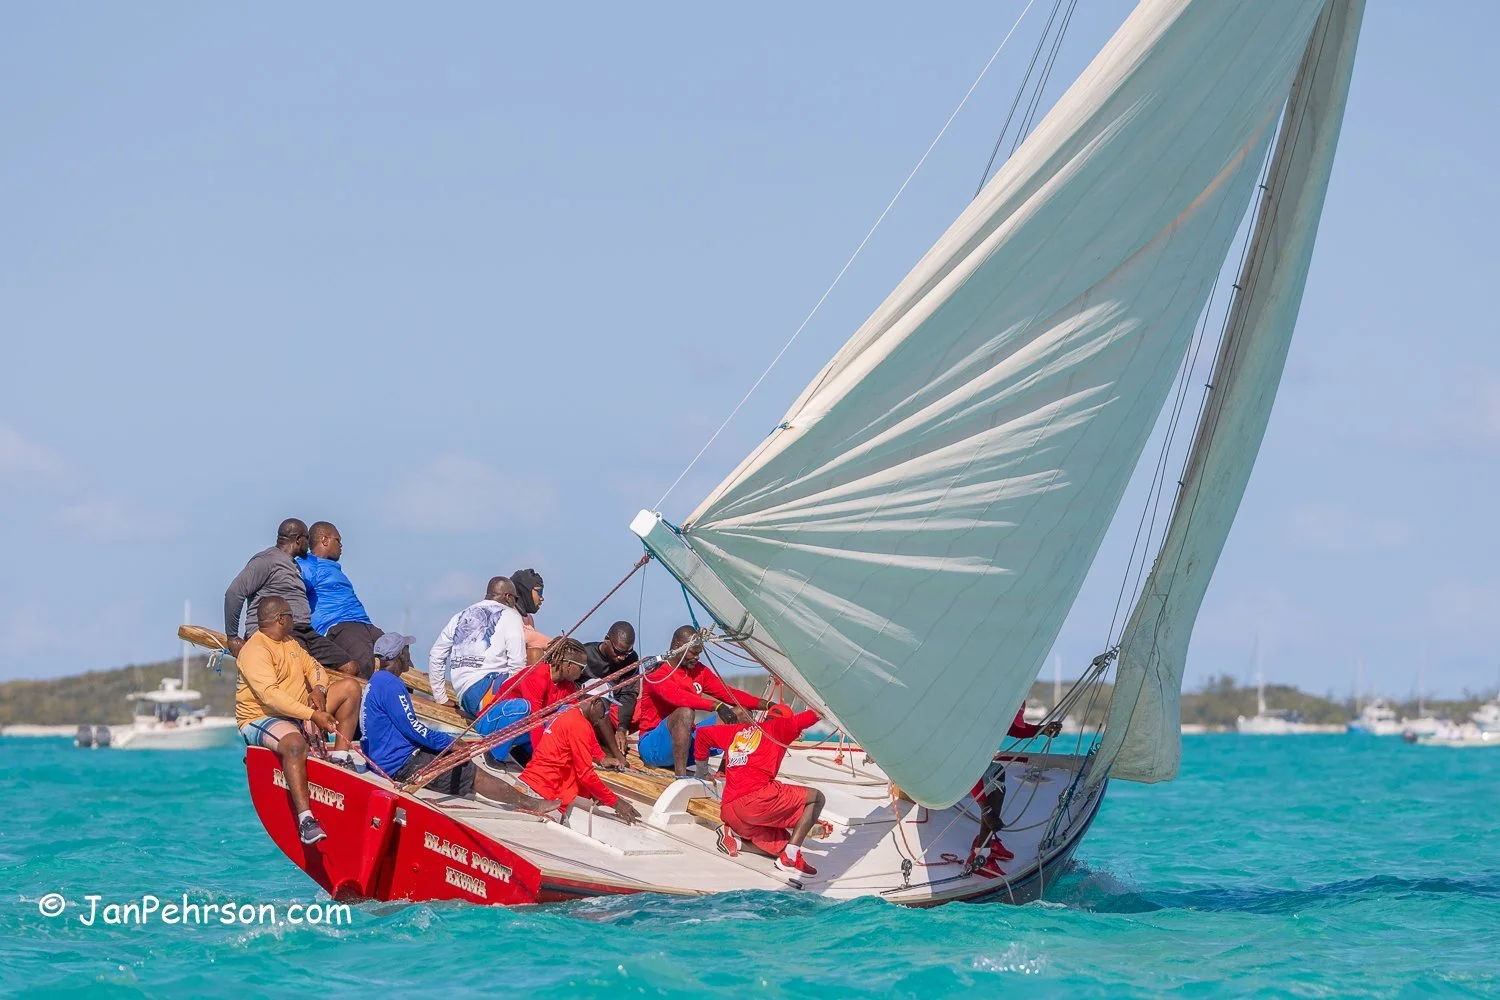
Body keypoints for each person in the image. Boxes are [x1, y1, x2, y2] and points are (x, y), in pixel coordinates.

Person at [360, 632, 557, 810]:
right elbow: (413, 728)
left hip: (388, 760)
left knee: (454, 755)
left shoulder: (376, 681)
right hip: (402, 764)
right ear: (400, 656)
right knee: (473, 773)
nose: (410, 656)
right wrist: (449, 742)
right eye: (407, 651)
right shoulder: (391, 685)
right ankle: (531, 804)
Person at [234, 596, 363, 844]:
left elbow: (315, 668)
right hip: (263, 717)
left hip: (298, 711)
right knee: (295, 745)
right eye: (291, 615)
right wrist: (313, 715)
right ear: (281, 619)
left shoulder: (290, 643)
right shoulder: (255, 650)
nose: (295, 619)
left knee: (349, 688)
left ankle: (339, 757)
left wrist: (319, 690)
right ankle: (306, 820)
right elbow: (271, 697)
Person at [692, 704, 826, 878]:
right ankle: (789, 860)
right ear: (784, 721)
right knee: (817, 798)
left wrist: (702, 771)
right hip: (756, 804)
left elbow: (702, 734)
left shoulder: (738, 730)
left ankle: (737, 841)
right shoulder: (779, 728)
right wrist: (826, 706)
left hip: (730, 810)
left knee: (785, 843)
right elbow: (810, 716)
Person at [224, 518, 358, 676]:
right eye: (307, 539)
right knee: (301, 672)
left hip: (305, 632)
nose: (309, 546)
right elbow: (234, 593)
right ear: (299, 540)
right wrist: (232, 637)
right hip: (280, 632)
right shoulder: (266, 560)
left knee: (350, 667)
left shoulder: (295, 566)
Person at [634, 626, 765, 774]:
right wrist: (716, 706)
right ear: (678, 646)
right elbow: (679, 697)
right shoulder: (657, 673)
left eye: (699, 653)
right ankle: (681, 777)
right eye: (693, 653)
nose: (697, 657)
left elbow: (729, 693)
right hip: (653, 747)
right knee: (685, 712)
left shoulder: (699, 670)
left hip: (687, 742)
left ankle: (725, 773)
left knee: (743, 714)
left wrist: (767, 705)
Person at [967, 708, 1063, 877]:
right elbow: (968, 768)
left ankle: (987, 841)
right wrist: (986, 809)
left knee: (997, 773)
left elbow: (1012, 728)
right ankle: (981, 856)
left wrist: (1041, 730)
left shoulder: (999, 703)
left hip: (967, 765)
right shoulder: (974, 717)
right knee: (995, 777)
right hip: (949, 770)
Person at [519, 700, 641, 825]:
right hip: (542, 794)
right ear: (596, 702)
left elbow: (588, 745)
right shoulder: (578, 724)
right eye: (604, 710)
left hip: (532, 783)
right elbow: (586, 775)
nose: (604, 716)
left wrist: (601, 759)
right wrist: (617, 803)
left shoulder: (570, 713)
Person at [474, 637, 589, 764]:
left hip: (516, 732)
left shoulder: (568, 687)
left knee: (566, 713)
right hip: (490, 724)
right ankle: (494, 755)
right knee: (523, 707)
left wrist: (596, 755)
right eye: (582, 668)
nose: (582, 673)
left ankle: (523, 754)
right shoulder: (537, 675)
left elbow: (577, 720)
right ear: (568, 666)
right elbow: (535, 719)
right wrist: (541, 757)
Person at [427, 577, 528, 714]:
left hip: (465, 696)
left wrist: (440, 697)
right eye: (515, 599)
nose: (515, 604)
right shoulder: (511, 615)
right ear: (508, 597)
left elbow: (436, 654)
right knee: (537, 664)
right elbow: (518, 664)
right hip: (487, 693)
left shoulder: (460, 615)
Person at [297, 521, 383, 678]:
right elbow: (290, 589)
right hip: (337, 624)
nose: (341, 545)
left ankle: (399, 698)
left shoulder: (333, 568)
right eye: (338, 540)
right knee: (364, 658)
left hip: (364, 623)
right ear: (324, 540)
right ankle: (364, 700)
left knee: (397, 650)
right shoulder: (307, 565)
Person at [580, 621, 640, 760]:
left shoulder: (631, 659)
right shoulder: (585, 654)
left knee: (644, 707)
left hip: (614, 713)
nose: (622, 657)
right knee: (597, 704)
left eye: (627, 652)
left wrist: (622, 729)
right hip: (588, 712)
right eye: (618, 652)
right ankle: (615, 754)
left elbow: (628, 694)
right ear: (607, 639)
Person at [510, 568, 551, 660]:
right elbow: (523, 636)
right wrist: (554, 645)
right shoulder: (506, 613)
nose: (541, 598)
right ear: (526, 591)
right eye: (539, 592)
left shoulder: (528, 618)